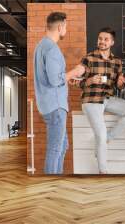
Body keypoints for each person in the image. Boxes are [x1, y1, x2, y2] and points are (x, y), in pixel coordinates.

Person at [71, 27, 125, 174]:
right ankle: (103, 172)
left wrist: (121, 82)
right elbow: (76, 82)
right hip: (91, 99)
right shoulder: (89, 58)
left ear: (112, 42)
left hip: (108, 98)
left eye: (106, 39)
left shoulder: (117, 62)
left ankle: (107, 139)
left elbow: (119, 85)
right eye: (100, 38)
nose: (102, 41)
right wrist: (90, 80)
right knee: (99, 135)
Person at [33, 12, 84, 174]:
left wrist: (67, 79)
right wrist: (75, 72)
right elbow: (55, 80)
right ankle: (51, 187)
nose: (66, 30)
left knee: (63, 146)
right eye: (66, 27)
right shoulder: (52, 49)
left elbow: (50, 78)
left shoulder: (41, 46)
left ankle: (57, 181)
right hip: (55, 106)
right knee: (55, 149)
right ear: (60, 26)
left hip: (48, 104)